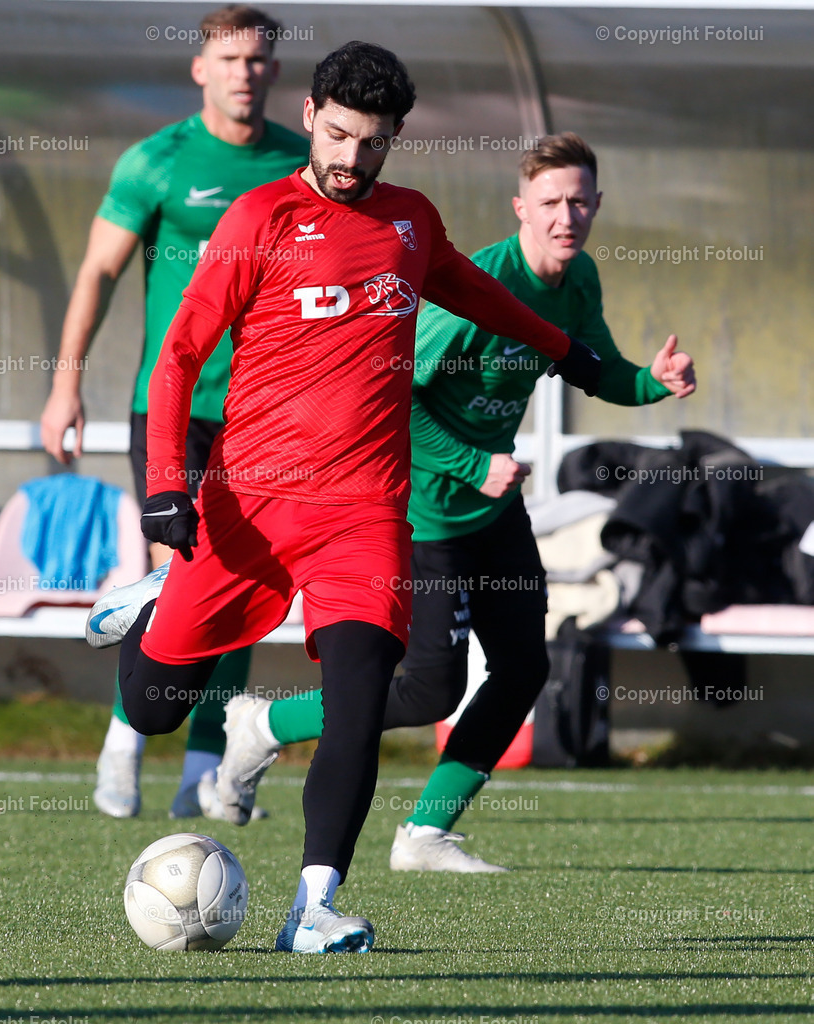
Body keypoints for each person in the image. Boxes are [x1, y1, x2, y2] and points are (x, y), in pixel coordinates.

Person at [85, 43, 600, 953]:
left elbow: (475, 291)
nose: (350, 160)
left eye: (371, 143)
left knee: (362, 695)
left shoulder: (409, 222)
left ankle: (312, 907)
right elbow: (176, 358)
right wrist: (169, 486)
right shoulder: (260, 217)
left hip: (362, 516)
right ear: (313, 112)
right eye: (335, 135)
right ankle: (157, 602)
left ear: (396, 136)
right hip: (249, 507)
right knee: (160, 704)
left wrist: (569, 351)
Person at [216, 131, 696, 872]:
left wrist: (649, 383)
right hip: (420, 513)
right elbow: (386, 397)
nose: (565, 217)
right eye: (549, 203)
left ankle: (426, 833)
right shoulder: (478, 287)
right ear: (520, 209)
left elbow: (591, 367)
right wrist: (472, 462)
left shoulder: (576, 281)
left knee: (523, 668)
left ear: (596, 205)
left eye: (578, 201)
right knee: (427, 690)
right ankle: (266, 723)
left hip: (490, 509)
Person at [39, 5, 309, 820]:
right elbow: (96, 273)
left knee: (250, 587)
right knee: (185, 580)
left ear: (273, 72)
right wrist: (64, 384)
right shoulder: (155, 162)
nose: (244, 72)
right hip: (173, 410)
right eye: (229, 58)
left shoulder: (301, 165)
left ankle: (201, 774)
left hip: (264, 418)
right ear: (200, 69)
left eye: (259, 60)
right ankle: (124, 743)